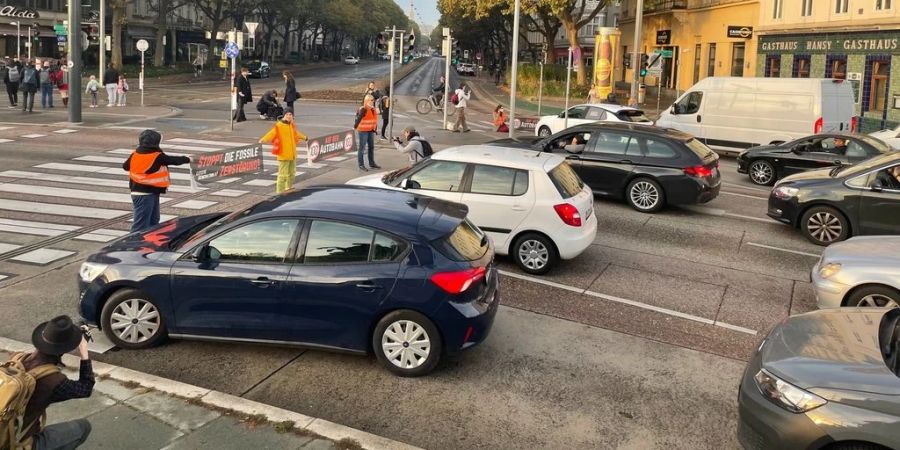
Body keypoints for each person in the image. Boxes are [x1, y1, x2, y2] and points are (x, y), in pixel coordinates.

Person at [10, 315, 94, 450]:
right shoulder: (54, 382)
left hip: (5, 431)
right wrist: (84, 353)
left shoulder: (16, 358)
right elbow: (86, 389)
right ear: (65, 349)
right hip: (20, 443)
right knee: (82, 427)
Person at [122, 130, 191, 232]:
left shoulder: (135, 154)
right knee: (141, 225)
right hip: (145, 195)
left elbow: (125, 166)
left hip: (144, 192)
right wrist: (188, 159)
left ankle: (148, 243)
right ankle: (133, 244)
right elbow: (173, 160)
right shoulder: (157, 156)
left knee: (153, 221)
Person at [259, 111, 307, 194]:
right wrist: (263, 139)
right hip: (283, 154)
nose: (289, 116)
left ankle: (289, 187)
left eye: (290, 114)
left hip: (292, 154)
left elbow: (296, 134)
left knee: (292, 173)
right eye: (287, 114)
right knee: (282, 174)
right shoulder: (279, 125)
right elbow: (272, 133)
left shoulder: (291, 125)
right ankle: (280, 191)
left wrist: (304, 137)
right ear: (284, 115)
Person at [354, 94, 380, 171]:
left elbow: (374, 120)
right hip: (363, 131)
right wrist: (354, 127)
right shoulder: (363, 109)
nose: (373, 101)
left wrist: (375, 129)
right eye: (371, 100)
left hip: (370, 130)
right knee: (362, 148)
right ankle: (361, 165)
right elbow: (358, 119)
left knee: (371, 147)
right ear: (366, 101)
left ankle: (372, 163)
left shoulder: (372, 109)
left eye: (373, 100)